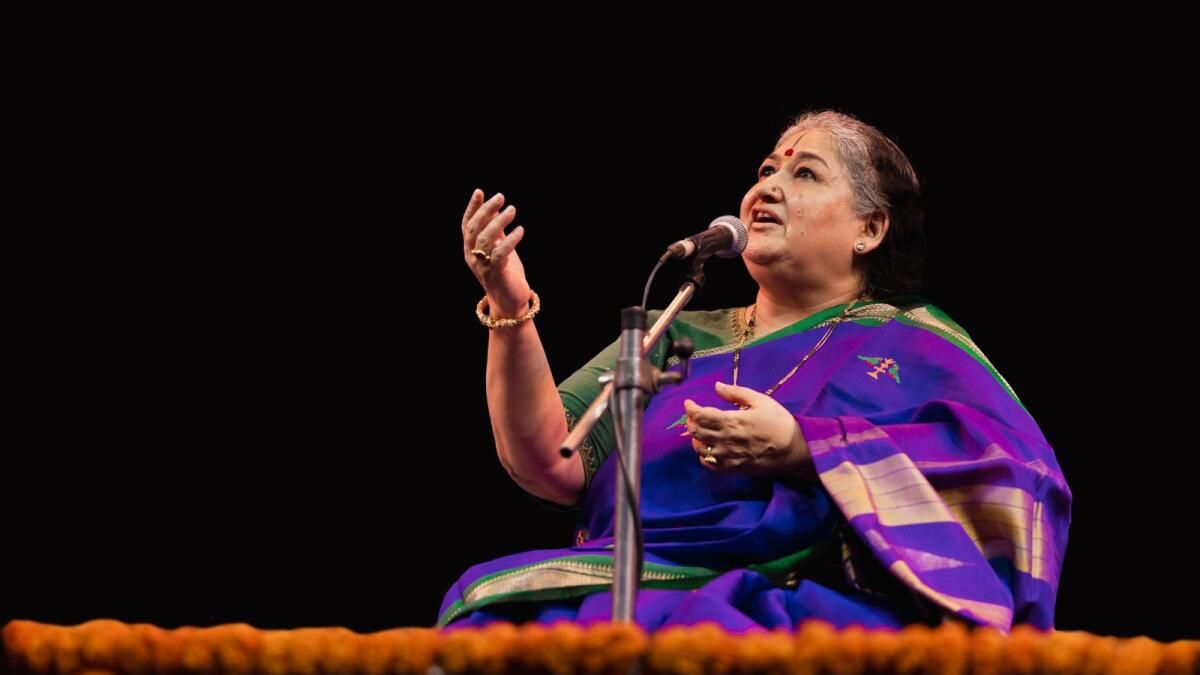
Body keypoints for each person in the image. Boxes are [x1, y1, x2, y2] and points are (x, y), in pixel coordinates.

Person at [441, 110, 1071, 632]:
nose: (766, 188)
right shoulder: (669, 332)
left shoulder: (912, 344)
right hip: (621, 588)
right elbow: (548, 461)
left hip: (805, 599)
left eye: (805, 173)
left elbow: (1018, 478)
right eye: (767, 170)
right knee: (484, 611)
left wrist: (806, 448)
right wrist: (509, 305)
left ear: (870, 228)